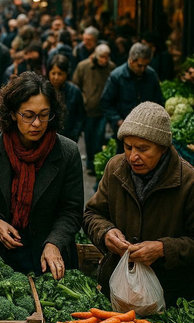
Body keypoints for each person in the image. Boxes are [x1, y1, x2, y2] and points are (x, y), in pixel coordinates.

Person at [0, 72, 83, 276]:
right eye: (28, 115)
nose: (37, 123)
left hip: (45, 253)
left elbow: (71, 211)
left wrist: (54, 242)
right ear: (12, 113)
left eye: (44, 115)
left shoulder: (67, 152)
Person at [83, 102, 194, 306]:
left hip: (170, 296)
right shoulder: (115, 168)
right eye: (128, 147)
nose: (133, 156)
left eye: (143, 149)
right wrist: (106, 233)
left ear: (162, 147)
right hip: (117, 288)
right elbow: (92, 214)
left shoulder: (188, 181)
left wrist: (163, 249)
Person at [100, 42, 164, 139]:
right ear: (131, 61)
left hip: (147, 130)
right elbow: (105, 102)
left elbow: (159, 101)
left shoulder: (151, 75)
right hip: (124, 130)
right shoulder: (117, 76)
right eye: (139, 65)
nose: (143, 69)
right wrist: (118, 121)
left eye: (145, 66)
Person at [72, 44, 116, 174]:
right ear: (96, 56)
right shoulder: (83, 66)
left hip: (103, 110)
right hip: (88, 110)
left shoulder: (111, 67)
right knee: (89, 138)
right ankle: (91, 164)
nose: (105, 60)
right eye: (102, 57)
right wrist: (83, 99)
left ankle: (96, 164)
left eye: (107, 57)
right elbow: (76, 85)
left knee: (99, 137)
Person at [47, 54, 85, 143]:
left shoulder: (74, 91)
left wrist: (75, 135)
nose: (56, 77)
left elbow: (80, 116)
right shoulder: (45, 90)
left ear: (66, 74)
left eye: (60, 74)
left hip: (69, 137)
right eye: (53, 73)